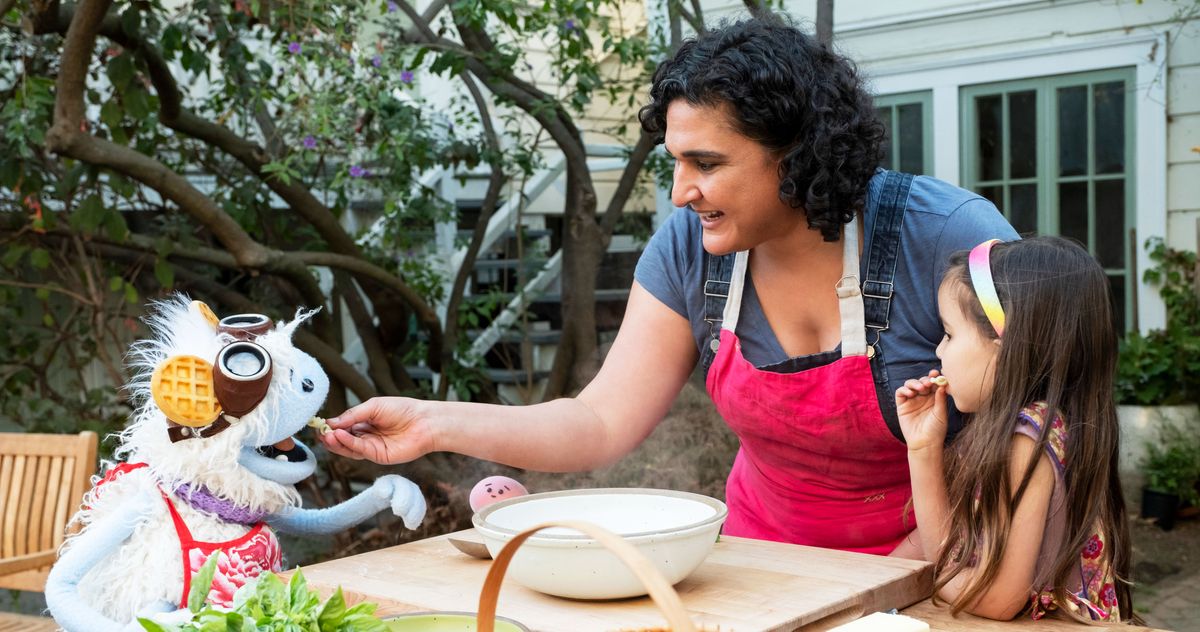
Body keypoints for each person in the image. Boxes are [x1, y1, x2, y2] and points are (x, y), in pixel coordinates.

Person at [319, 14, 1018, 554]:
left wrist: (909, 576)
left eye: (706, 163)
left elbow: (1039, 429)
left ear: (800, 155)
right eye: (675, 161)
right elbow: (599, 421)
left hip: (943, 558)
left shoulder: (946, 237)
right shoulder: (694, 248)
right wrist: (432, 421)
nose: (682, 192)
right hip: (763, 562)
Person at [894, 237, 1131, 622]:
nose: (938, 350)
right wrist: (922, 449)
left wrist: (930, 581)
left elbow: (996, 599)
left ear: (1004, 346)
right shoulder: (1043, 426)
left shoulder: (1028, 441)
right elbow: (949, 550)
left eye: (950, 334)